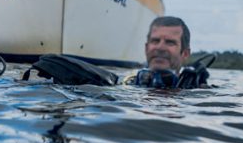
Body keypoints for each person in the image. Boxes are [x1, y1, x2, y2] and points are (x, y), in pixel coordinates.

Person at [26, 15, 212, 88]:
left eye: (170, 42)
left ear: (185, 53)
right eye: (155, 41)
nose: (160, 47)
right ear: (146, 48)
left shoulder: (197, 90)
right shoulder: (126, 85)